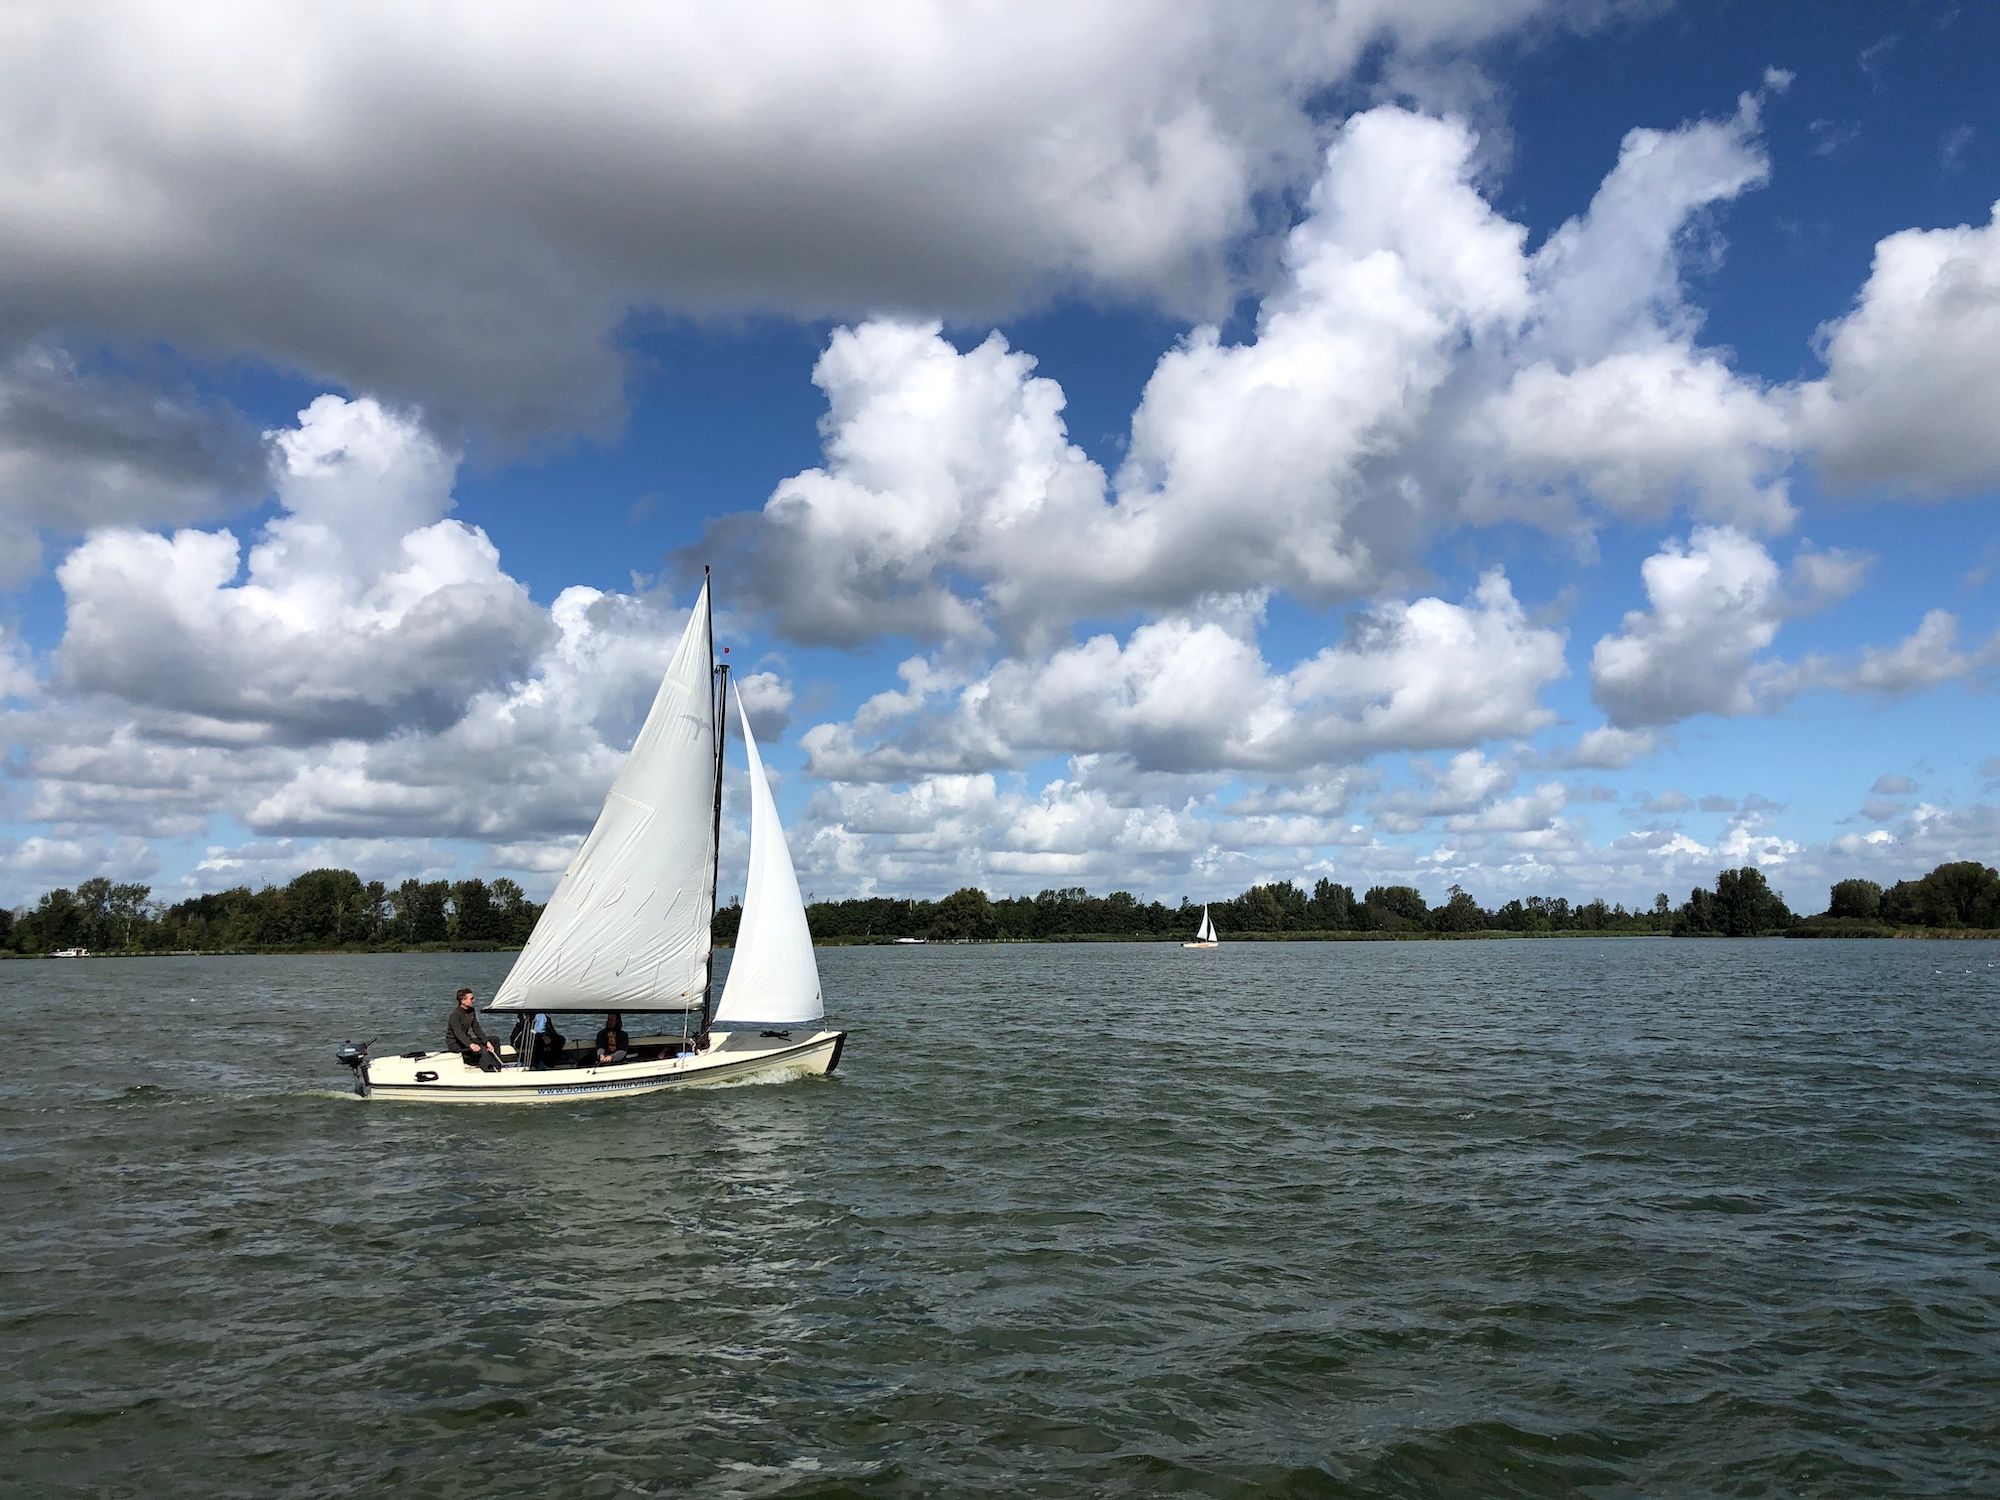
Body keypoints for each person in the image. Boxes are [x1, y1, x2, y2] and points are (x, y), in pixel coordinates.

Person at [445, 987, 503, 1072]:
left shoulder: (471, 1011)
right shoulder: (454, 1015)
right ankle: (488, 1071)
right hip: (456, 1044)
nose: (474, 1000)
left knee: (494, 1040)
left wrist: (486, 1041)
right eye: (471, 999)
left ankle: (497, 1066)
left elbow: (476, 1028)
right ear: (463, 1001)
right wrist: (470, 1045)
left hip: (466, 1039)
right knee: (483, 1049)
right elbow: (458, 1033)